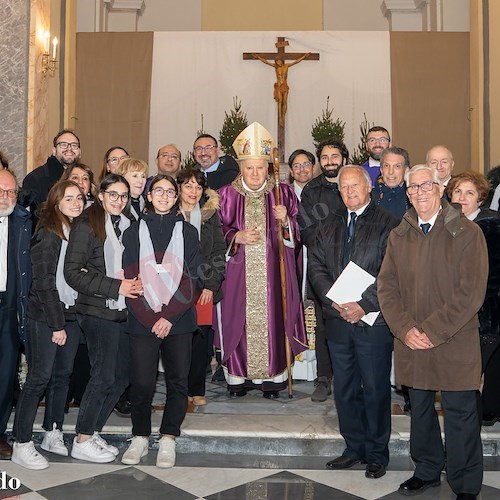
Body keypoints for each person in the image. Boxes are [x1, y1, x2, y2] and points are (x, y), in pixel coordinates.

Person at [378, 165, 488, 499]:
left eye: (426, 186)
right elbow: (387, 287)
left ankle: (465, 483)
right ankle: (426, 469)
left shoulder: (466, 232)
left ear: (440, 188)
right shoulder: (400, 233)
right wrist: (405, 329)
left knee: (460, 414)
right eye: (413, 188)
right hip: (412, 339)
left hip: (454, 338)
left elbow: (470, 293)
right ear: (407, 193)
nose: (420, 193)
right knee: (421, 410)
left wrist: (430, 330)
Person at [308, 165, 398, 479]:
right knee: (344, 389)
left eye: (355, 185)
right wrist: (332, 299)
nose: (349, 192)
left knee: (374, 389)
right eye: (344, 187)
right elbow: (316, 265)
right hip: (337, 320)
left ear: (368, 186)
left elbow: (392, 272)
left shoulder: (388, 222)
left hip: (373, 321)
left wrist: (363, 305)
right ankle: (353, 448)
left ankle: (376, 453)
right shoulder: (328, 223)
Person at [215, 122, 307, 398]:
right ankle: (237, 378)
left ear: (267, 167)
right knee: (237, 319)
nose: (255, 174)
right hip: (236, 274)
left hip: (274, 275)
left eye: (260, 168)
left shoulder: (283, 193)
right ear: (241, 168)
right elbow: (214, 234)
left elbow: (298, 234)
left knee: (275, 319)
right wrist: (235, 236)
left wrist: (286, 221)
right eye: (249, 168)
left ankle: (273, 378)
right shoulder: (226, 195)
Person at [121, 174, 202, 468]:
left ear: (177, 195)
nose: (165, 196)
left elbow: (193, 278)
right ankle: (140, 436)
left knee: (177, 382)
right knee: (141, 383)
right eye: (159, 191)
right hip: (142, 319)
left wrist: (168, 316)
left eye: (170, 191)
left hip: (178, 320)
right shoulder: (132, 232)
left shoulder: (189, 233)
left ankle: (168, 437)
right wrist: (153, 317)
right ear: (149, 195)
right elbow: (129, 278)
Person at [64, 174, 142, 463]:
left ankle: (93, 430)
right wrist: (116, 286)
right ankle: (82, 438)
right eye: (113, 194)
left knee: (121, 377)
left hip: (124, 310)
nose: (119, 201)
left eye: (124, 196)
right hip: (96, 311)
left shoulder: (129, 225)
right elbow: (72, 273)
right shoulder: (87, 224)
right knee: (103, 375)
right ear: (100, 194)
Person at [11, 180, 85, 469]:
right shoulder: (48, 233)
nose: (76, 203)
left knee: (62, 376)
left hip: (69, 313)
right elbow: (42, 283)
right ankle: (21, 441)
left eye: (79, 197)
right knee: (38, 379)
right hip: (45, 316)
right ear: (56, 202)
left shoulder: (74, 230)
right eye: (69, 199)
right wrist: (56, 325)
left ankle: (52, 430)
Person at [447, 172, 500, 426]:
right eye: (458, 192)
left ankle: (472, 431)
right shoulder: (448, 222)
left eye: (469, 193)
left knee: (471, 378)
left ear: (481, 198)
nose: (462, 197)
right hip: (456, 312)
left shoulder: (491, 224)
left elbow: (493, 276)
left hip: (486, 314)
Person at [297, 137, 348, 402]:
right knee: (324, 325)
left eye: (335, 156)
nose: (330, 161)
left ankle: (349, 378)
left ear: (344, 158)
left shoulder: (352, 182)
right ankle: (323, 378)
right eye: (325, 157)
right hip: (322, 268)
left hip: (353, 267)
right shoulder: (312, 190)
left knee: (352, 322)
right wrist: (327, 254)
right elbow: (305, 229)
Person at [176, 169, 225, 405]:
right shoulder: (169, 213)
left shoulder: (209, 215)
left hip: (203, 287)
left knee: (199, 339)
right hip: (173, 288)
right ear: (178, 189)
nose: (193, 192)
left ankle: (197, 390)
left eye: (198, 187)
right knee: (177, 340)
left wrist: (211, 285)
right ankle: (179, 390)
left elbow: (218, 251)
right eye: (188, 186)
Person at [0, 169, 32, 460]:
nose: (6, 197)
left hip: (10, 304)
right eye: (1, 190)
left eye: (11, 192)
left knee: (6, 372)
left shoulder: (22, 220)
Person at [288, 149, 316, 381]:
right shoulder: (282, 194)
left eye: (306, 164)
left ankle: (315, 365)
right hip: (291, 257)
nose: (302, 169)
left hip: (316, 256)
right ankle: (294, 361)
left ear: (313, 167)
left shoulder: (323, 192)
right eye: (296, 165)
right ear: (290, 171)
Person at [20, 129, 81, 221]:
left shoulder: (84, 178)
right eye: (63, 145)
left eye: (74, 145)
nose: (69, 149)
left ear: (79, 152)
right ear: (54, 150)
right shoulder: (35, 178)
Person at [252, 53, 310, 127]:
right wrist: (258, 57)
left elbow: (296, 62)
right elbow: (266, 62)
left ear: (282, 61)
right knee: (280, 102)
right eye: (276, 61)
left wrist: (304, 56)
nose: (278, 63)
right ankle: (280, 118)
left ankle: (283, 116)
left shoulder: (286, 66)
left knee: (285, 102)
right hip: (279, 86)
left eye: (279, 61)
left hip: (285, 86)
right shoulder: (276, 67)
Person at [372, 147, 411, 220]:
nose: (391, 172)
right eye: (386, 166)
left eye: (397, 166)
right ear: (381, 170)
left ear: (406, 171)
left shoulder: (414, 197)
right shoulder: (370, 198)